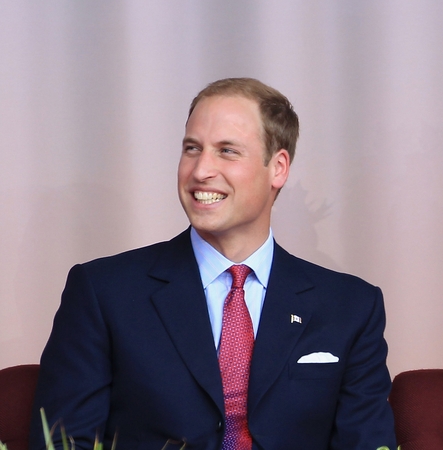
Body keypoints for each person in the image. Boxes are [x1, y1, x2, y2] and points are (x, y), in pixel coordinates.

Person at [30, 78, 397, 450]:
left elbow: (366, 443)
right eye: (192, 148)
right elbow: (62, 442)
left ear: (279, 167)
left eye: (227, 151)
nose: (201, 169)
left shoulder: (351, 307)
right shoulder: (102, 292)